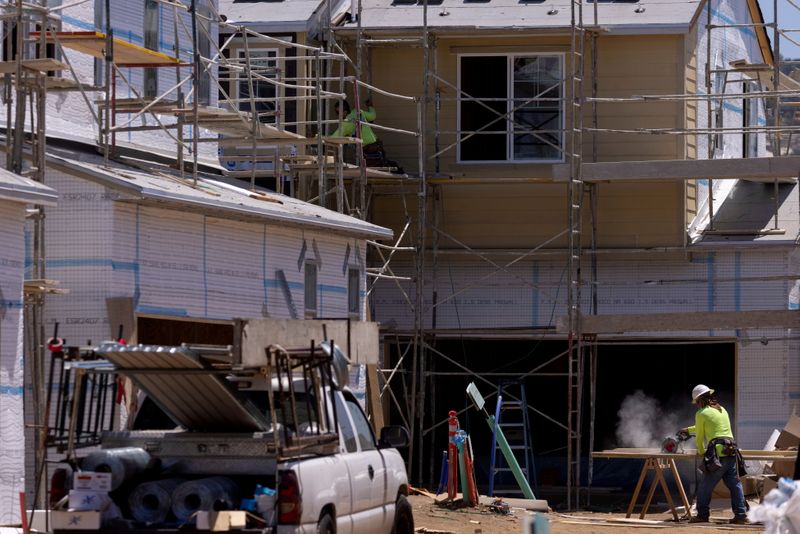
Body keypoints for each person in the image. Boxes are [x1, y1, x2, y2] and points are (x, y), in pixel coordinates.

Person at [680, 384, 748, 525]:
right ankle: (741, 515)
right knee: (735, 484)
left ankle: (702, 515)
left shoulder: (701, 413)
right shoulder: (721, 410)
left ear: (699, 400)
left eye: (697, 402)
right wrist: (688, 430)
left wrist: (701, 451)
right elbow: (710, 426)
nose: (697, 405)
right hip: (731, 451)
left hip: (717, 455)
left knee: (705, 486)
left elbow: (699, 436)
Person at [329, 99, 403, 173]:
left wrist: (321, 136)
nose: (338, 115)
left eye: (338, 112)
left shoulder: (346, 123)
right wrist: (370, 107)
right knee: (382, 164)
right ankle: (396, 170)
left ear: (344, 112)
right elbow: (373, 116)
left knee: (374, 171)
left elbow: (334, 138)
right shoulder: (358, 112)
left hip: (368, 149)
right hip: (376, 144)